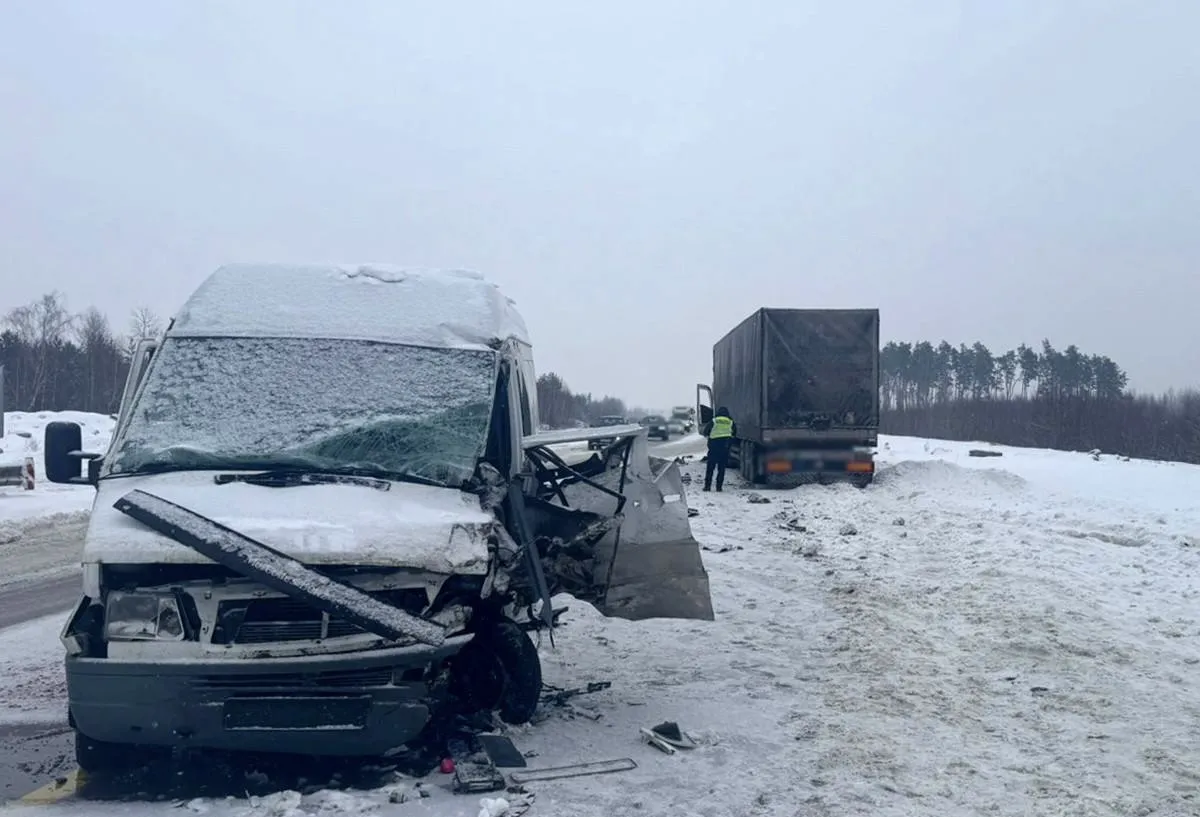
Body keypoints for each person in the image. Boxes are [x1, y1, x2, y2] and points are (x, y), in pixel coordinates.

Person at [700, 406, 736, 492]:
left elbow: (706, 431)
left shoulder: (714, 421)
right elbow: (734, 433)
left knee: (710, 468)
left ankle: (707, 486)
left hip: (713, 448)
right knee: (721, 469)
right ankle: (719, 487)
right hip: (724, 449)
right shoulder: (730, 422)